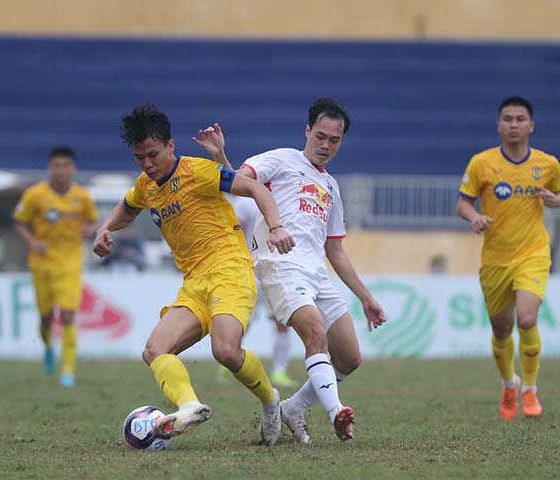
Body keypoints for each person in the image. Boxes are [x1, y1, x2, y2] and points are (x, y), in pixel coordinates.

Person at [92, 104, 295, 445]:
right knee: (155, 350)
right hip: (194, 283)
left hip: (230, 269)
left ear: (170, 146)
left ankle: (271, 402)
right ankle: (189, 407)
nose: (147, 163)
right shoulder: (146, 185)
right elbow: (128, 208)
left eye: (153, 154)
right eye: (140, 157)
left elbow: (257, 189)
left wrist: (275, 227)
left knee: (226, 351)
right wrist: (105, 228)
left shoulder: (198, 171)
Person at [194, 98, 386, 444]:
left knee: (350, 357)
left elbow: (336, 250)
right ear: (307, 130)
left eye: (335, 140)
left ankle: (293, 408)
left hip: (317, 274)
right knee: (315, 332)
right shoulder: (281, 159)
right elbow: (239, 183)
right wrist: (220, 157)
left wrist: (366, 297)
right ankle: (337, 412)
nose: (326, 145)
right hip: (279, 266)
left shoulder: (331, 187)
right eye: (321, 136)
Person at [456, 96, 560, 420]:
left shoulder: (547, 164)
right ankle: (509, 383)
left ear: (531, 125)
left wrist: (555, 200)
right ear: (499, 125)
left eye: (520, 119)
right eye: (508, 119)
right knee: (502, 330)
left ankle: (530, 389)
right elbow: (463, 202)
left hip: (533, 253)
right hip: (495, 260)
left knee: (527, 319)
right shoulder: (482, 163)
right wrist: (473, 217)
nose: (514, 125)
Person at [13, 146, 98, 388]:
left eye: (66, 166)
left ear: (73, 168)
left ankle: (68, 371)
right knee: (46, 318)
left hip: (70, 264)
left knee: (69, 315)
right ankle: (49, 346)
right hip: (42, 264)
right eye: (57, 166)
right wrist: (32, 242)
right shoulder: (35, 195)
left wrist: (88, 230)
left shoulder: (82, 196)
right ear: (50, 168)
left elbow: (93, 222)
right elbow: (19, 222)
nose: (61, 170)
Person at [220, 194, 297, 388]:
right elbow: (233, 229)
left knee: (282, 321)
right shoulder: (245, 201)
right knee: (244, 321)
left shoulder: (286, 197)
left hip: (278, 270)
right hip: (250, 270)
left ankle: (279, 373)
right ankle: (230, 360)